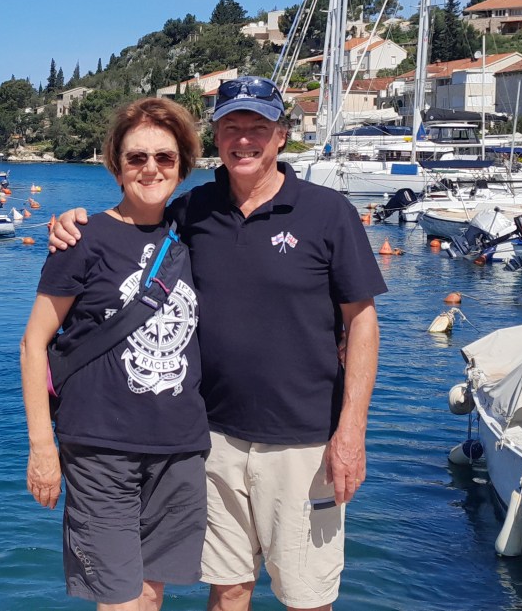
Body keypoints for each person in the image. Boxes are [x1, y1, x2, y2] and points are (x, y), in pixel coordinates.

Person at [50, 76, 385, 610]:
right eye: (232, 127)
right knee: (228, 590)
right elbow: (133, 219)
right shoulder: (193, 211)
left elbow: (362, 322)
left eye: (258, 128)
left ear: (281, 136)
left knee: (308, 597)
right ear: (216, 137)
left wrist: (352, 431)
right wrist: (73, 221)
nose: (244, 140)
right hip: (211, 439)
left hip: (304, 442)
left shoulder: (328, 213)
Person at [21, 97, 209, 610]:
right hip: (101, 448)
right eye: (136, 157)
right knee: (119, 599)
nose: (151, 168)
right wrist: (42, 448)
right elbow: (33, 343)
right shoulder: (82, 239)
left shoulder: (192, 236)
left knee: (150, 594)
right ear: (116, 165)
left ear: (183, 166)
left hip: (179, 447)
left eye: (165, 157)